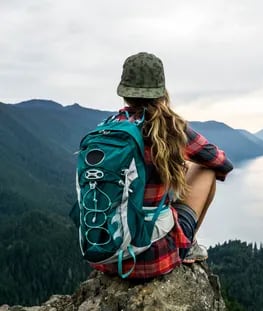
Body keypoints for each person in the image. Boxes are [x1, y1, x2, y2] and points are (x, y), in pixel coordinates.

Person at [90, 52, 233, 279]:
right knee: (206, 170)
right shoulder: (171, 128)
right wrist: (180, 161)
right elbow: (221, 163)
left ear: (124, 92)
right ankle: (188, 247)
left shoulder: (107, 129)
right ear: (161, 91)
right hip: (155, 258)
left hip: (108, 256)